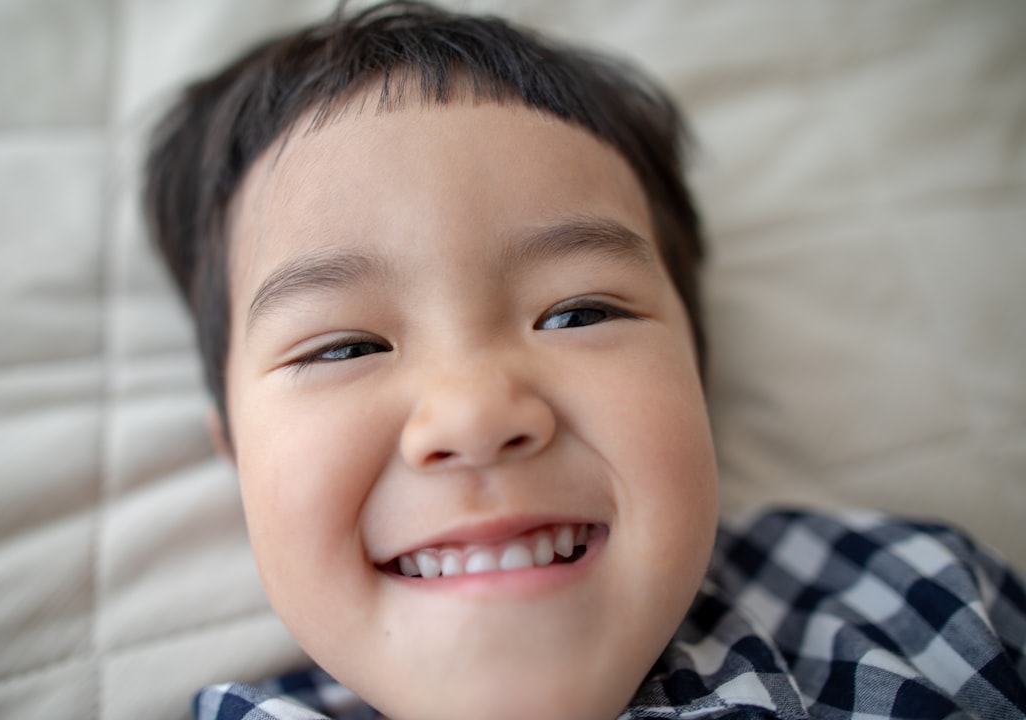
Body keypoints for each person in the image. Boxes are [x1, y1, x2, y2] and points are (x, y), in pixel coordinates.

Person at [144, 2, 1026, 718]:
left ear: (697, 377)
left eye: (578, 313)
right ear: (235, 452)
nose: (477, 416)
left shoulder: (910, 603)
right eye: (345, 346)